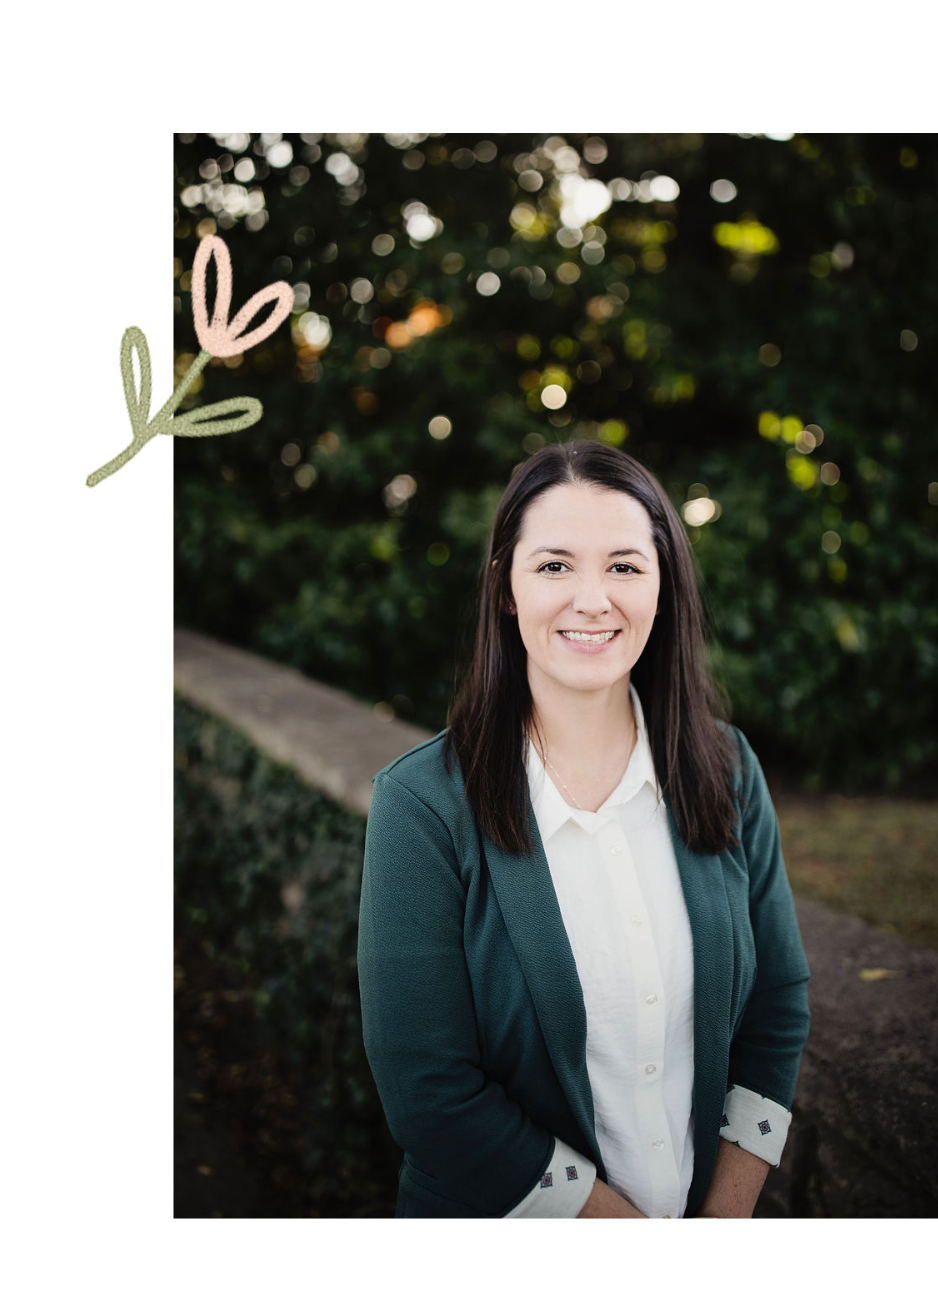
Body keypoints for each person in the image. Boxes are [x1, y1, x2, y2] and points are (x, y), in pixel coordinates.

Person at [358, 439, 810, 1248]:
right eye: (556, 565)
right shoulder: (421, 805)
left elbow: (777, 1001)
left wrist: (729, 1208)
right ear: (506, 589)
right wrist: (609, 1223)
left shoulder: (727, 769)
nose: (592, 599)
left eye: (626, 567)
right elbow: (428, 1089)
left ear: (664, 588)